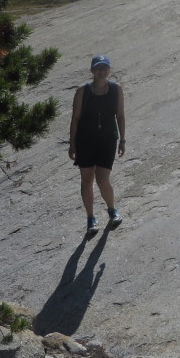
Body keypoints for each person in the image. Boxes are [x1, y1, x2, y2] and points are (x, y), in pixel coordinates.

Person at [69, 54, 126, 235]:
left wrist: (122, 139)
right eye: (98, 68)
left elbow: (120, 115)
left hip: (108, 140)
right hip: (85, 141)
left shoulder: (116, 89)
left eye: (105, 68)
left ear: (109, 70)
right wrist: (72, 144)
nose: (102, 71)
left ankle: (112, 210)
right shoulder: (82, 92)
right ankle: (91, 218)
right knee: (86, 181)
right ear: (92, 71)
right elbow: (75, 118)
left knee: (102, 180)